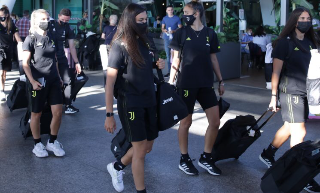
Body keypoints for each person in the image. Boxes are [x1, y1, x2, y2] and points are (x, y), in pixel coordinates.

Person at [104, 3, 165, 193]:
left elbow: (148, 64)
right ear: (130, 20)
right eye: (140, 20)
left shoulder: (146, 40)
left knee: (147, 146)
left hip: (150, 99)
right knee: (140, 151)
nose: (144, 23)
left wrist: (158, 64)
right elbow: (110, 82)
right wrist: (109, 114)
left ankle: (116, 167)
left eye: (146, 20)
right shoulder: (119, 45)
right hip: (130, 102)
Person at [258, 7, 320, 193]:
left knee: (289, 126)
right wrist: (274, 97)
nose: (305, 21)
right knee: (299, 131)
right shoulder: (284, 43)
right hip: (290, 91)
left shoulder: (311, 42)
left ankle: (268, 153)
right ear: (294, 21)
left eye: (308, 18)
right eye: (302, 18)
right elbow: (276, 71)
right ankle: (299, 173)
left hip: (306, 92)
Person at [168, 0, 225, 176]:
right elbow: (176, 59)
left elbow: (213, 58)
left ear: (197, 13)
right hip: (186, 83)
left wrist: (221, 81)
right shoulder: (181, 33)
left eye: (187, 12)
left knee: (215, 121)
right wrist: (171, 82)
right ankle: (184, 159)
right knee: (186, 122)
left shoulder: (210, 33)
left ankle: (206, 157)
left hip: (206, 83)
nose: (184, 15)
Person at [22, 9, 65, 158]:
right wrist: (32, 81)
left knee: (58, 112)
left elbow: (56, 60)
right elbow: (25, 64)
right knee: (36, 114)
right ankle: (37, 144)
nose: (46, 21)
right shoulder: (30, 38)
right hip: (38, 82)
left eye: (47, 19)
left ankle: (52, 142)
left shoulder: (51, 37)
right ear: (35, 21)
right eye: (43, 19)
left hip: (53, 80)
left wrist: (59, 77)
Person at [49, 8, 82, 114]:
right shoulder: (50, 24)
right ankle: (46, 106)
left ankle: (68, 105)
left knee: (67, 81)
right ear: (59, 16)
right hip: (49, 58)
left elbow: (72, 47)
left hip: (61, 57)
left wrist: (77, 62)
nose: (64, 22)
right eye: (63, 19)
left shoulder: (68, 28)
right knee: (50, 82)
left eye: (67, 20)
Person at [0, 5, 22, 101]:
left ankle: (3, 89)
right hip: (0, 50)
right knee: (1, 72)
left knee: (4, 73)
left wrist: (23, 46)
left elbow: (18, 38)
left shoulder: (12, 25)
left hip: (8, 51)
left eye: (2, 16)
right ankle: (1, 91)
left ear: (7, 15)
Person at [162, 5, 182, 77]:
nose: (170, 11)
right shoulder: (164, 18)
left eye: (171, 10)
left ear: (173, 10)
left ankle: (176, 71)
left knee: (176, 55)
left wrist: (174, 31)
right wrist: (164, 30)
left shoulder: (177, 18)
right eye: (169, 10)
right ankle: (169, 71)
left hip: (175, 38)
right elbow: (162, 28)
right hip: (166, 38)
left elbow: (180, 28)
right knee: (168, 55)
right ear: (166, 11)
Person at [101, 14, 118, 86]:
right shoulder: (118, 28)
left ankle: (106, 82)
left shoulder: (106, 28)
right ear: (116, 21)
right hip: (115, 46)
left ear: (110, 20)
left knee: (106, 64)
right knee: (114, 63)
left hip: (107, 46)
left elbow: (102, 36)